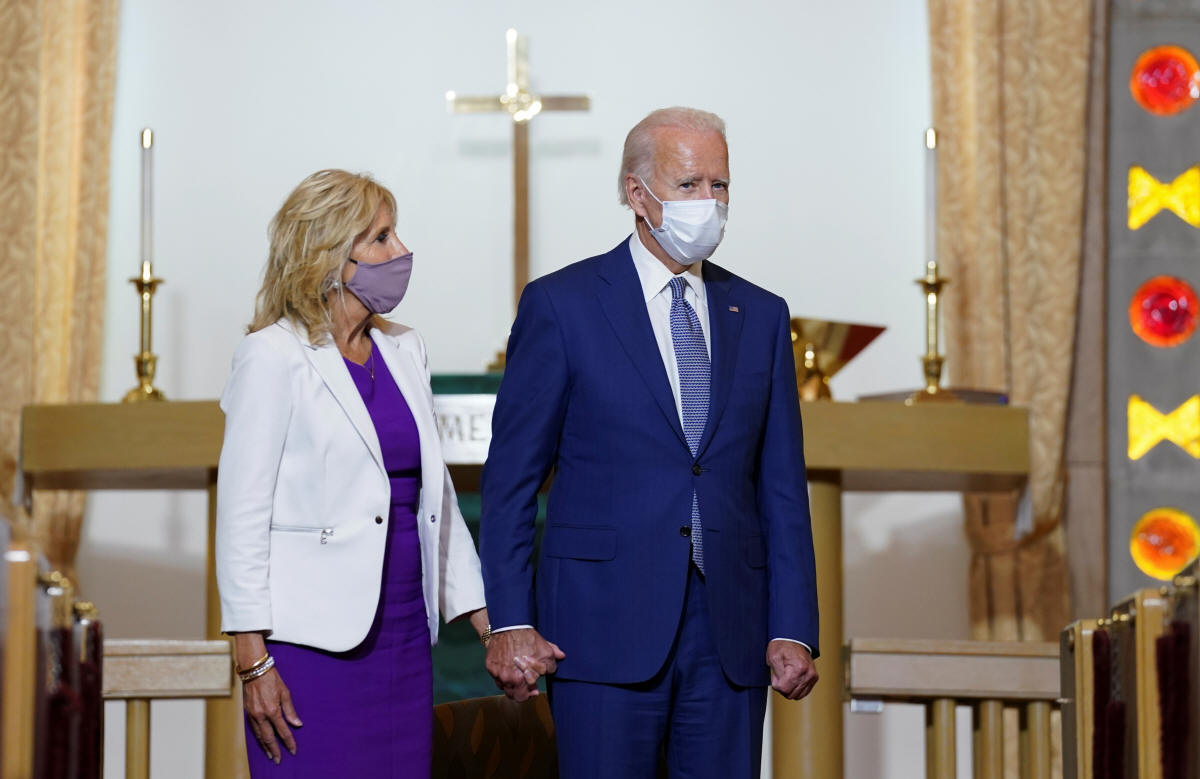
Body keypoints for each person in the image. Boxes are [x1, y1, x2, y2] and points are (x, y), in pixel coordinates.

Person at [479, 107, 819, 779]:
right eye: (690, 184)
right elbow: (511, 480)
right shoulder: (563, 305)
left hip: (729, 635)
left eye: (720, 185)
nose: (709, 202)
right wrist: (510, 620)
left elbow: (781, 487)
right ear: (638, 194)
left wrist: (793, 626)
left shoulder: (761, 314)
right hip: (600, 629)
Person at [215, 169, 489, 777]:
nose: (403, 251)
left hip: (404, 639)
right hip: (307, 649)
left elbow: (435, 500)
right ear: (332, 256)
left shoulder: (405, 347)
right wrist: (252, 662)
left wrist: (487, 622)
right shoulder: (271, 356)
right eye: (382, 237)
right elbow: (241, 516)